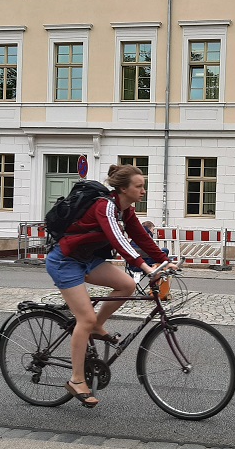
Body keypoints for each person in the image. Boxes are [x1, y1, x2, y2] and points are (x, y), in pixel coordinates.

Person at [45, 164, 176, 408]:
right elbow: (119, 240)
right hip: (64, 262)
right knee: (83, 319)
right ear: (123, 188)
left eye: (143, 186)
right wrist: (145, 267)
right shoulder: (105, 207)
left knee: (126, 285)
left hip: (87, 260)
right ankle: (76, 380)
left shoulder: (125, 210)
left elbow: (140, 236)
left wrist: (163, 260)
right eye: (139, 186)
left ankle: (97, 326)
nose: (143, 190)